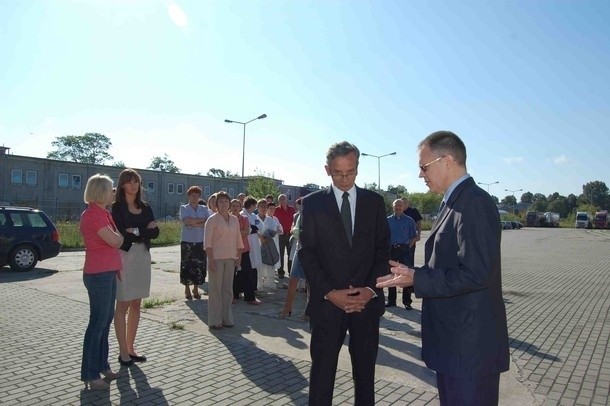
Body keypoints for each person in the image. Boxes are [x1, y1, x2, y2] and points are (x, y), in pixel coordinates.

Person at [376, 131, 509, 405]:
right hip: (455, 344)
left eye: (424, 167)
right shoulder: (453, 202)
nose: (420, 175)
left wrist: (418, 277)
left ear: (446, 160)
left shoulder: (473, 203)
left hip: (469, 348)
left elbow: (477, 273)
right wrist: (414, 276)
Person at [299, 141, 390, 405]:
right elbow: (307, 252)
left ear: (357, 168)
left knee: (365, 376)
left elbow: (382, 249)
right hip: (327, 307)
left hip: (366, 304)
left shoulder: (374, 203)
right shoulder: (313, 204)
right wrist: (329, 292)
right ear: (327, 170)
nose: (345, 179)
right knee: (322, 376)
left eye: (350, 172)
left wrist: (371, 289)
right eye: (338, 173)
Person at [79, 174, 124, 390]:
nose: (113, 192)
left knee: (105, 322)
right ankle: (90, 373)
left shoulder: (103, 214)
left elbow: (116, 240)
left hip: (108, 272)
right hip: (98, 276)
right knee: (97, 324)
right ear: (101, 191)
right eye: (110, 188)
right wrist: (119, 239)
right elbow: (116, 240)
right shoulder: (92, 216)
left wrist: (119, 239)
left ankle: (102, 365)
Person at [112, 169, 159, 367]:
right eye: (129, 182)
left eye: (136, 182)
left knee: (136, 304)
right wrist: (143, 231)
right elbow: (122, 235)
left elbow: (155, 233)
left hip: (142, 257)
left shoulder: (146, 207)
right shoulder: (116, 208)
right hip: (124, 257)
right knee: (122, 304)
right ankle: (122, 351)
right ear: (122, 184)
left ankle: (131, 348)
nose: (133, 185)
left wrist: (136, 231)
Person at [204, 191, 244, 329]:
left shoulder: (234, 219)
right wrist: (211, 260)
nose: (223, 204)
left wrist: (239, 255)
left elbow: (238, 239)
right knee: (215, 289)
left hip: (231, 257)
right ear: (216, 204)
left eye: (226, 201)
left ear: (229, 204)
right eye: (220, 201)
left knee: (228, 290)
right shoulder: (212, 220)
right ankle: (215, 320)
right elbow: (207, 242)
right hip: (216, 258)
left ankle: (227, 318)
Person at [385, 199, 417, 309]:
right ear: (392, 206)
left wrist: (408, 247)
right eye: (396, 205)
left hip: (404, 250)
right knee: (391, 274)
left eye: (400, 205)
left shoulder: (409, 221)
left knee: (406, 274)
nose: (398, 207)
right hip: (391, 250)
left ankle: (407, 302)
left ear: (403, 207)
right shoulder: (387, 220)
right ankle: (391, 300)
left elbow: (414, 236)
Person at [278, 197, 307, 319]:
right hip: (299, 249)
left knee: (310, 283)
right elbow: (293, 230)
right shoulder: (297, 216)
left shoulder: (317, 215)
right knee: (292, 279)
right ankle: (287, 307)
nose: (300, 207)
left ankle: (308, 311)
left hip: (312, 252)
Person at [179, 186, 209, 300]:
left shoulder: (203, 208)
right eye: (193, 195)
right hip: (187, 240)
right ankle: (187, 288)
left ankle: (196, 288)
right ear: (189, 196)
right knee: (187, 264)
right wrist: (199, 221)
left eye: (197, 196)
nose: (195, 198)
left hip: (200, 240)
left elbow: (207, 222)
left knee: (199, 265)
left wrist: (194, 223)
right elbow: (186, 221)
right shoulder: (184, 208)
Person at [401, 196, 422, 309]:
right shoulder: (396, 214)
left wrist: (418, 234)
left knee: (409, 266)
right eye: (401, 202)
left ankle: (411, 287)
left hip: (411, 241)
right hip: (398, 246)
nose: (403, 204)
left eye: (405, 202)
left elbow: (418, 223)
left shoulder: (413, 212)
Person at [241, 196, 264, 303]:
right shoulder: (242, 214)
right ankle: (244, 290)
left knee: (254, 266)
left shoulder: (253, 215)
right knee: (246, 267)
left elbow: (261, 226)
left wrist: (253, 228)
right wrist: (252, 228)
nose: (255, 207)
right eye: (255, 205)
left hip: (254, 241)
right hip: (247, 242)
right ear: (251, 205)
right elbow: (247, 228)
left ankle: (253, 289)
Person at [274, 194, 296, 279]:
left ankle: (291, 272)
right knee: (281, 254)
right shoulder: (276, 210)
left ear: (287, 200)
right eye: (281, 199)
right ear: (278, 201)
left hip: (290, 235)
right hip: (281, 235)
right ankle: (281, 272)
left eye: (284, 199)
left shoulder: (292, 209)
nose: (282, 200)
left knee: (291, 255)